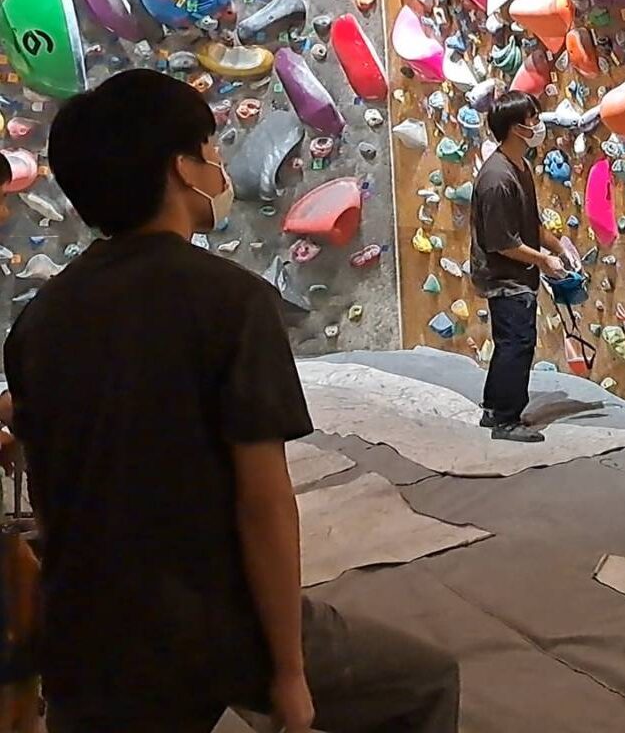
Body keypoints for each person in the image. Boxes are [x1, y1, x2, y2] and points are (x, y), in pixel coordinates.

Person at [4, 70, 460, 732]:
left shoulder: (37, 322)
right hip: (209, 623)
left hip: (85, 634)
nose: (218, 165)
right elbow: (263, 501)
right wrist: (288, 672)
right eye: (210, 149)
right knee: (424, 683)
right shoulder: (231, 301)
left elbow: (53, 498)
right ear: (182, 169)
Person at [470, 90, 573, 443]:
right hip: (504, 277)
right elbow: (502, 242)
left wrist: (559, 246)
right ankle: (505, 420)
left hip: (518, 275)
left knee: (511, 343)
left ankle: (493, 408)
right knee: (517, 344)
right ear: (517, 128)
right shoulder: (497, 179)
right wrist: (544, 260)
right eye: (533, 119)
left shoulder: (520, 166)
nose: (538, 125)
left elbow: (530, 223)